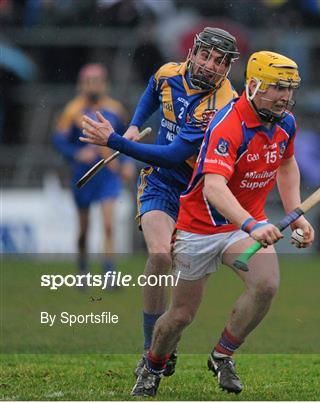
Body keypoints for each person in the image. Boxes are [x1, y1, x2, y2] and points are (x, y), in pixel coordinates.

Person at [131, 50, 315, 396]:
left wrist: (296, 213)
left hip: (241, 226)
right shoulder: (227, 123)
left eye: (290, 89)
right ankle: (153, 364)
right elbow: (214, 187)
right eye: (278, 88)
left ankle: (222, 355)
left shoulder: (285, 122)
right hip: (199, 226)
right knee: (181, 316)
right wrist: (252, 225)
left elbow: (287, 165)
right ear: (255, 84)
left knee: (266, 285)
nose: (286, 97)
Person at [80, 27, 240, 377]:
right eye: (206, 55)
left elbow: (173, 154)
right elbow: (153, 90)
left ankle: (173, 344)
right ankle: (151, 348)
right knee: (159, 255)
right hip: (161, 184)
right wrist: (135, 125)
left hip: (201, 192)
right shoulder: (170, 72)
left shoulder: (223, 104)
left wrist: (115, 141)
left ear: (228, 67)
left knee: (187, 288)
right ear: (193, 52)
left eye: (221, 61)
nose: (211, 65)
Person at [52, 63, 134, 277]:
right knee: (84, 229)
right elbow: (59, 140)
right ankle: (82, 270)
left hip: (107, 174)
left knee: (108, 225)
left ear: (104, 84)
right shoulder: (72, 111)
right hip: (83, 174)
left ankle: (109, 274)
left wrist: (127, 164)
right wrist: (76, 154)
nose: (93, 86)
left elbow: (126, 140)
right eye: (89, 81)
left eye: (97, 81)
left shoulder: (115, 109)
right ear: (82, 84)